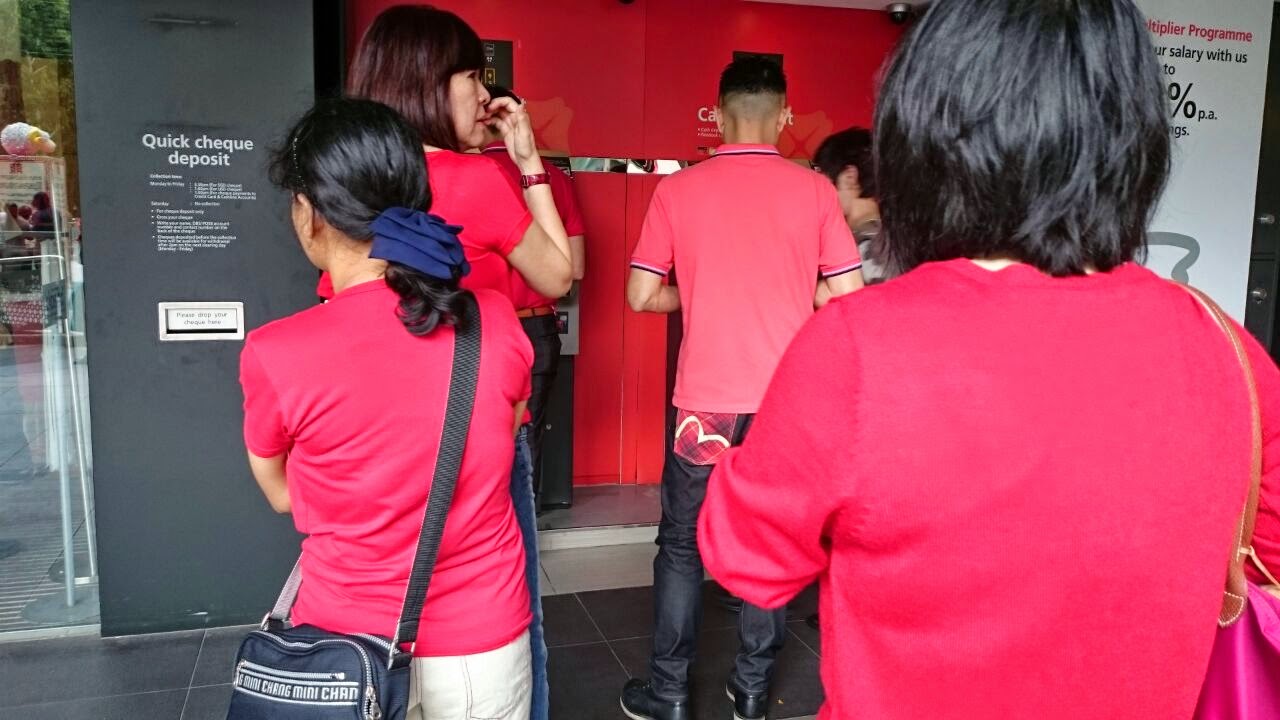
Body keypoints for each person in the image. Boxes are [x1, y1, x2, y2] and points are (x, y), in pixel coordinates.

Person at [696, 1, 1280, 718]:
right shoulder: (1229, 352)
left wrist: (724, 448)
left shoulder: (859, 350)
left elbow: (748, 560)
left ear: (923, 138)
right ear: (1131, 136)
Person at [240, 97, 535, 719]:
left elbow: (283, 494)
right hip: (483, 643)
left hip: (345, 650)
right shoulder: (497, 321)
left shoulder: (277, 352)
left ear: (309, 214)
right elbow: (501, 438)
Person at [621, 56, 864, 720]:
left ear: (719, 112)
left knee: (680, 543)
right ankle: (752, 690)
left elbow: (640, 295)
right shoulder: (815, 191)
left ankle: (669, 693)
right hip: (785, 407)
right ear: (784, 116)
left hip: (705, 405)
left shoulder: (678, 190)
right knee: (770, 539)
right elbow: (848, 295)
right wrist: (794, 291)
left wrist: (697, 292)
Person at [346, 7, 570, 718]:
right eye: (472, 75)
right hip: (476, 432)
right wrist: (528, 162)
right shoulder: (470, 178)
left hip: (372, 437)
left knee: (390, 597)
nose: (485, 94)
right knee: (505, 604)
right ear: (425, 82)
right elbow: (558, 273)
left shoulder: (350, 187)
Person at [482, 84, 587, 512]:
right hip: (535, 327)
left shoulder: (459, 175)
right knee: (526, 434)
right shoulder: (554, 180)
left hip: (476, 329)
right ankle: (526, 523)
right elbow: (574, 269)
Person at [812, 127, 885, 283]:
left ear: (849, 177)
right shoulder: (889, 237)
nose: (818, 193)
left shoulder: (867, 244)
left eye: (822, 182)